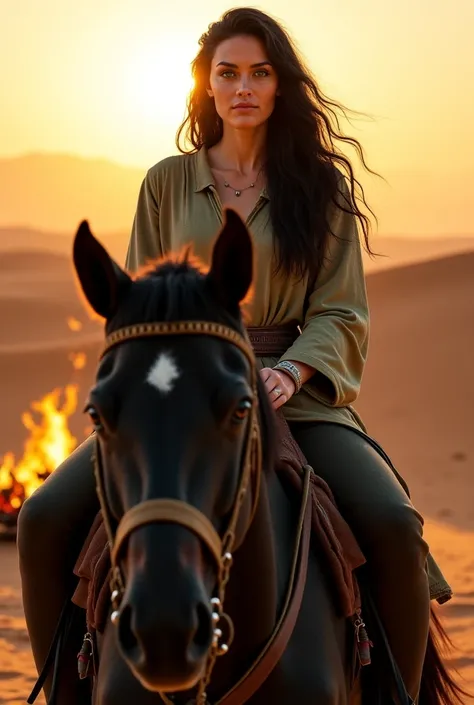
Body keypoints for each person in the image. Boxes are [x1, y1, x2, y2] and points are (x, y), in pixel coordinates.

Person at [18, 7, 452, 704]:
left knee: (395, 525)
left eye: (258, 72)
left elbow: (342, 309)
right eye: (228, 73)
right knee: (42, 518)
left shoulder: (321, 186)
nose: (243, 86)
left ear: (279, 85)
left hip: (297, 393)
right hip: (181, 397)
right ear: (206, 86)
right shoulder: (164, 181)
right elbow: (139, 306)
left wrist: (290, 370)